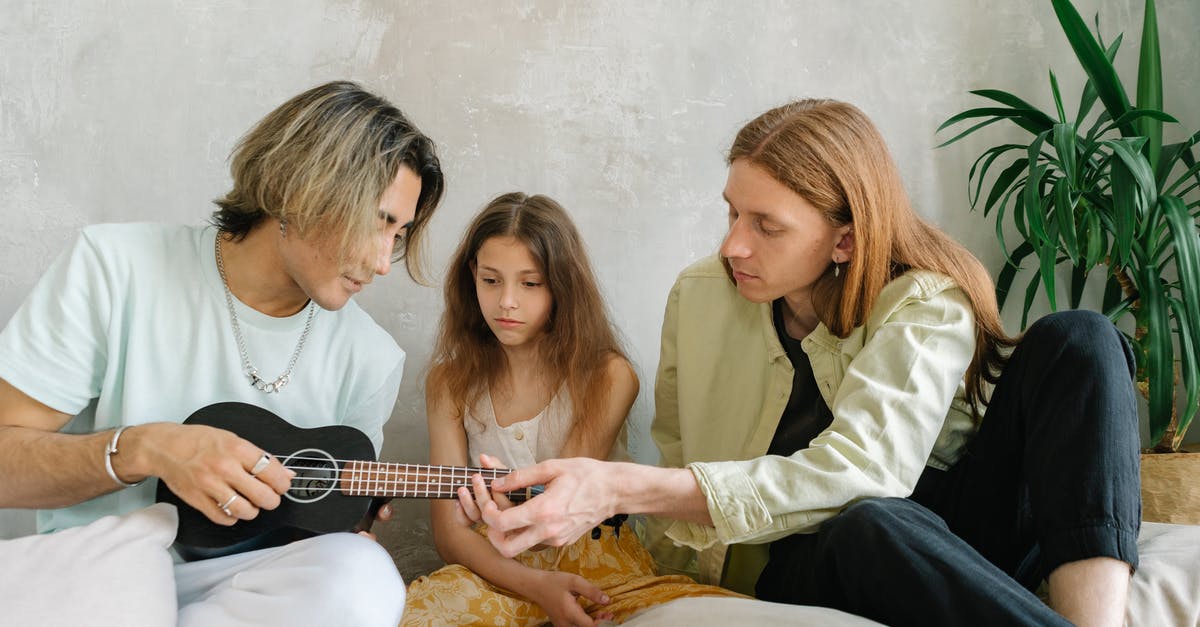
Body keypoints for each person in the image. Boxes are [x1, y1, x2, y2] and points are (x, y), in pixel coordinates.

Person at [461, 100, 1141, 627]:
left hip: (959, 536)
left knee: (1081, 337)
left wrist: (616, 485)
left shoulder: (926, 303)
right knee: (869, 524)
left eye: (766, 224)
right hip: (810, 557)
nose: (733, 244)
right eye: (732, 213)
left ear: (844, 238)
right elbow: (676, 457)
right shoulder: (698, 296)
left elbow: (866, 469)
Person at [0, 80, 445, 626]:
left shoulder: (371, 357)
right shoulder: (114, 267)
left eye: (398, 235)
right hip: (99, 570)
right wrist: (146, 448)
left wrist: (359, 514)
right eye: (378, 222)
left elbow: (326, 545)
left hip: (239, 592)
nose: (383, 262)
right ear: (300, 190)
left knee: (363, 571)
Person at [402, 193, 743, 626]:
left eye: (530, 283)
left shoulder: (608, 375)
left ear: (562, 285)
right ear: (472, 276)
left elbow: (557, 512)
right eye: (491, 280)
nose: (507, 301)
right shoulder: (448, 382)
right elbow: (450, 533)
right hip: (491, 566)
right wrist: (535, 585)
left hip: (597, 562)